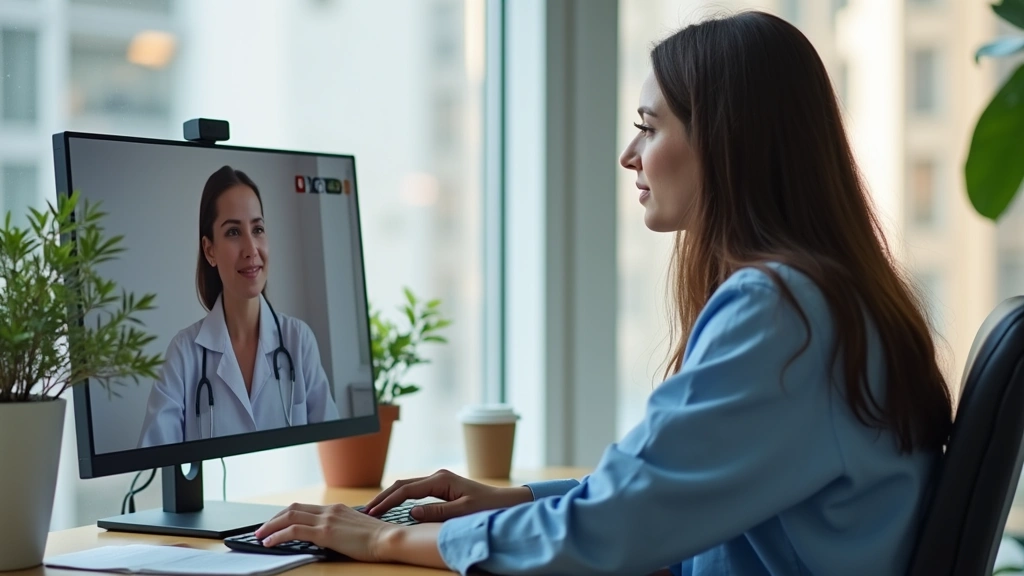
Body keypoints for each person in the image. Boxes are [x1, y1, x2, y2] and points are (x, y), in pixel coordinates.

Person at [254, 11, 953, 575]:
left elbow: (618, 529)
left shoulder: (782, 314)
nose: (630, 157)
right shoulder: (834, 300)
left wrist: (380, 541)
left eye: (649, 128)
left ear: (726, 143)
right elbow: (660, 499)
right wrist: (514, 500)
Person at [138, 166, 339, 447]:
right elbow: (154, 463)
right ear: (210, 250)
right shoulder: (184, 354)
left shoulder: (298, 341)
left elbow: (333, 448)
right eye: (233, 232)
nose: (250, 248)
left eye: (257, 229)